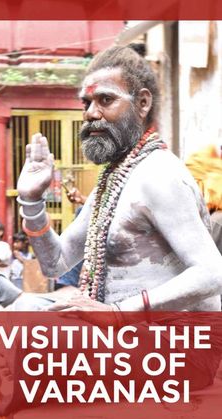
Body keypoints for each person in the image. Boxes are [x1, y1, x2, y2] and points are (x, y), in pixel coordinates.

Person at [15, 45, 222, 389]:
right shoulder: (115, 178)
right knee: (23, 310)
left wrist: (118, 313)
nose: (91, 114)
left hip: (179, 346)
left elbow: (213, 274)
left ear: (142, 104)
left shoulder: (159, 175)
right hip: (128, 337)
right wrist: (32, 200)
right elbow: (56, 263)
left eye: (105, 101)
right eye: (86, 103)